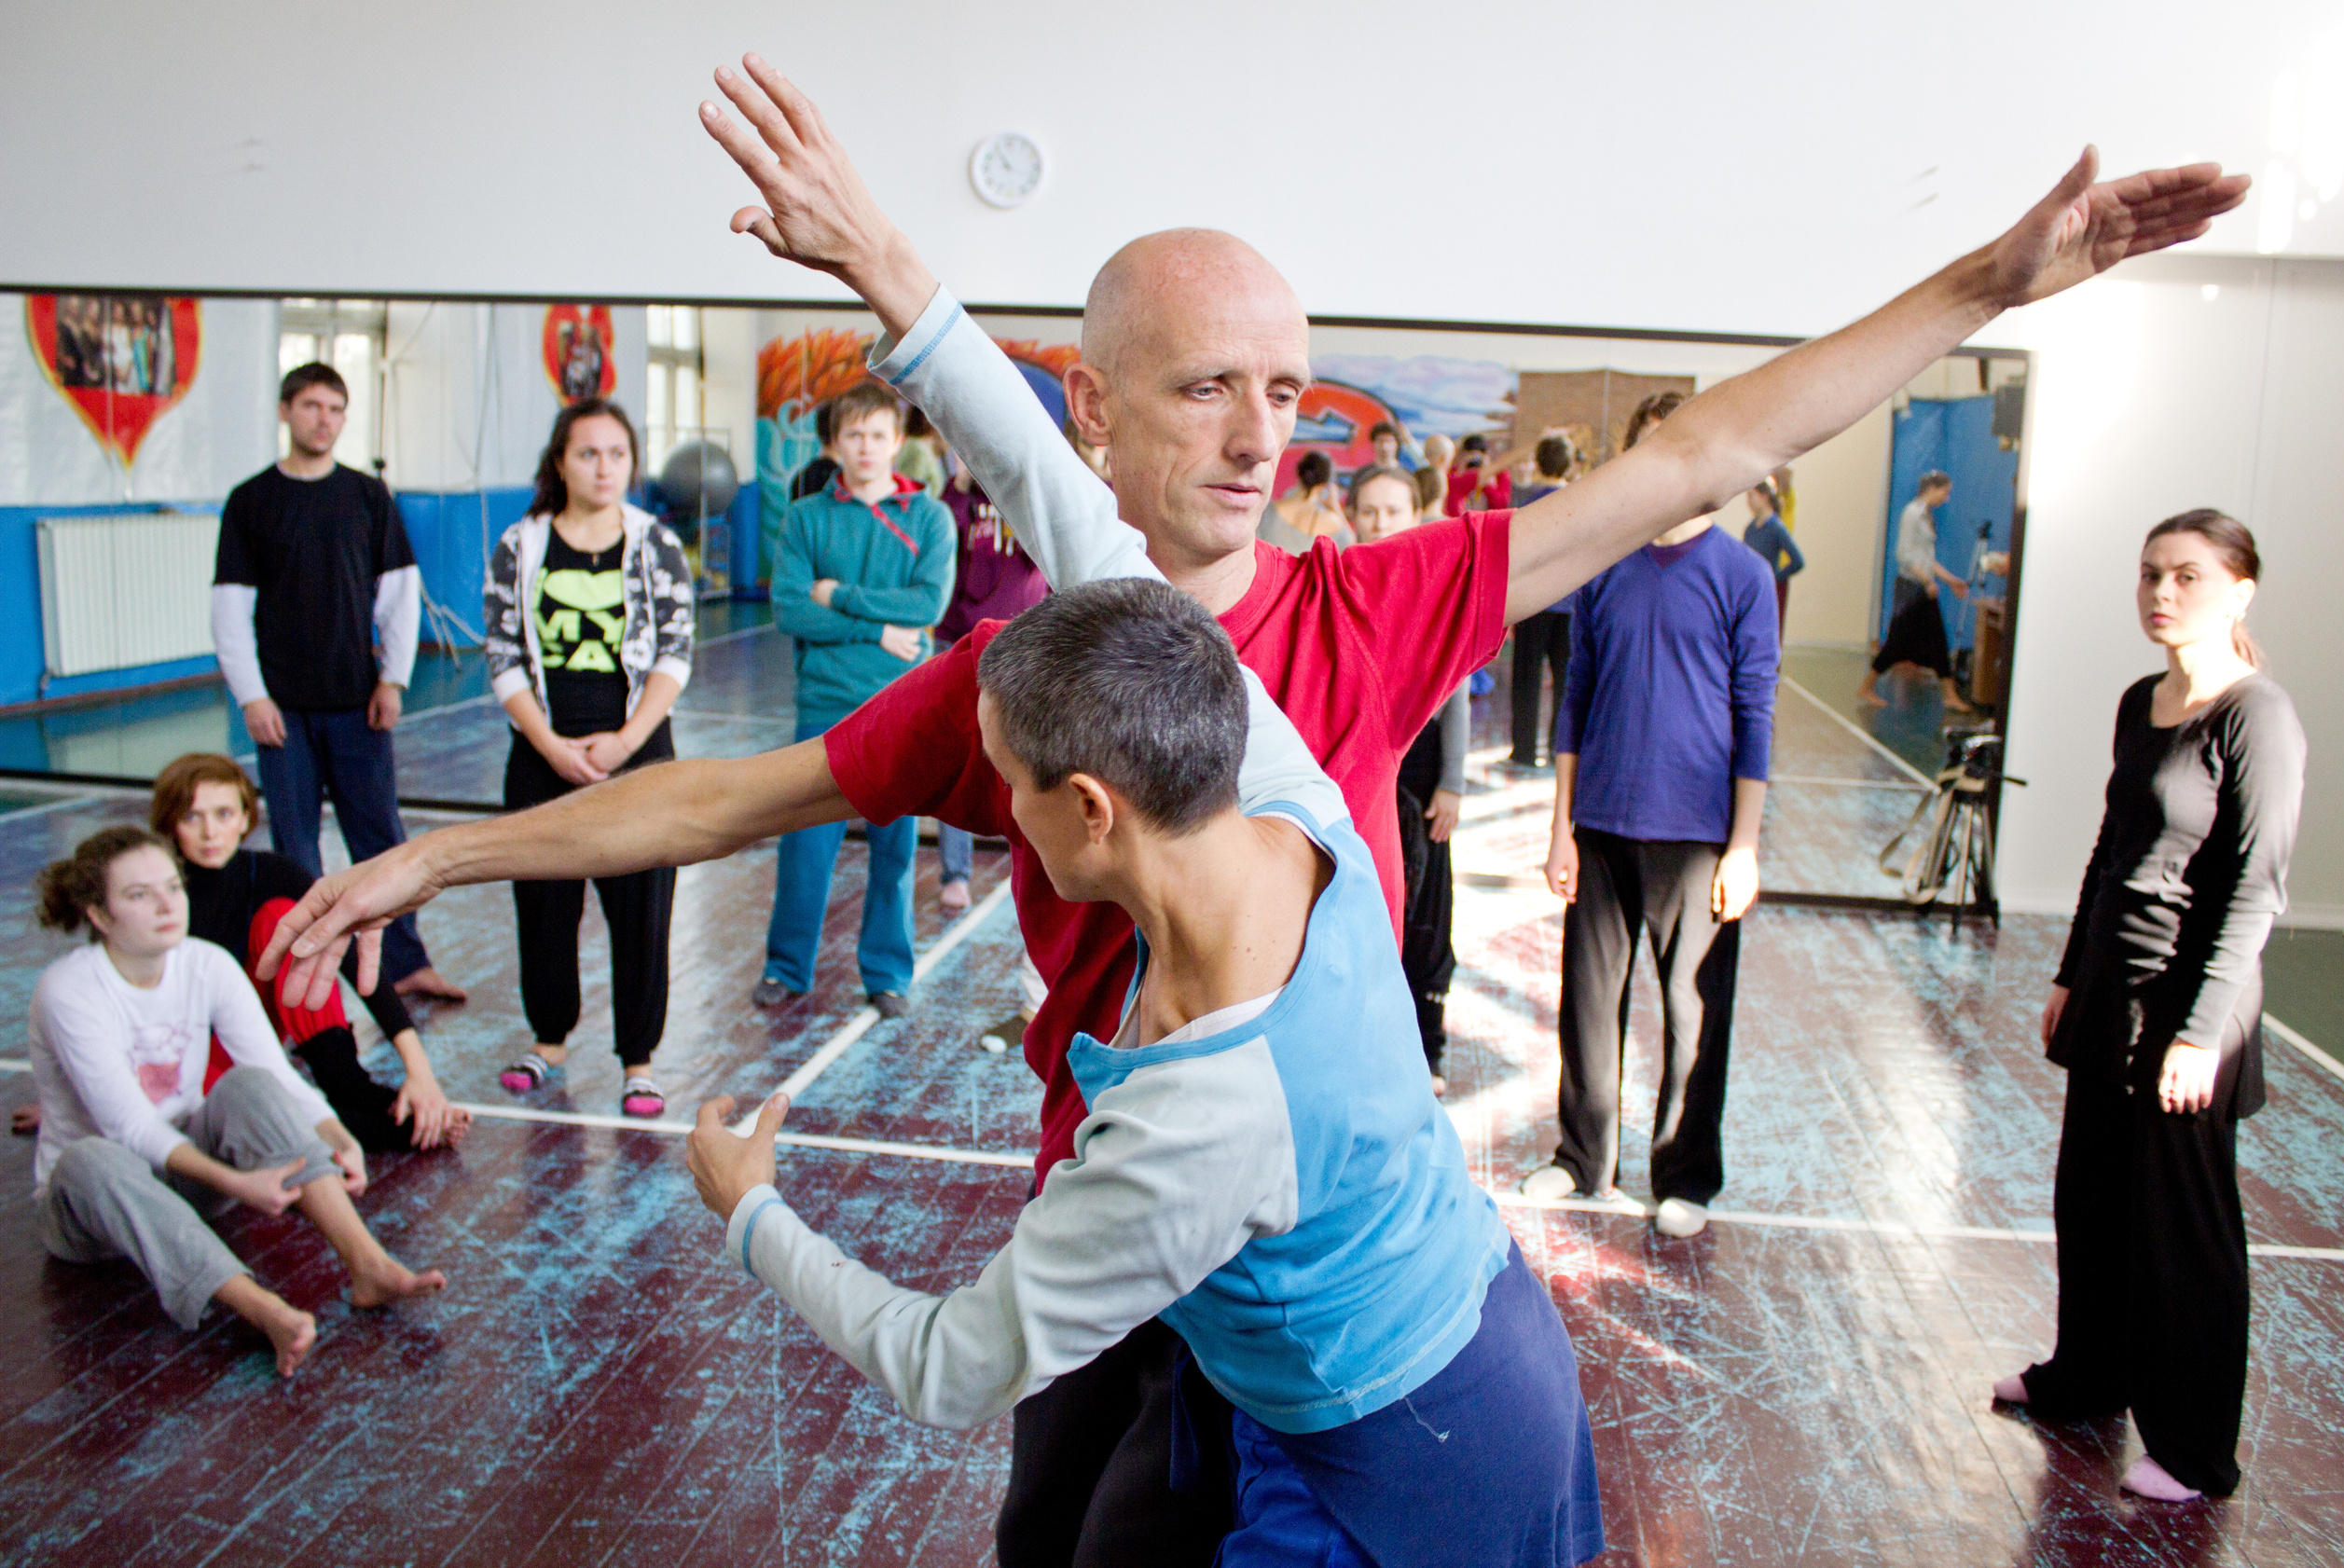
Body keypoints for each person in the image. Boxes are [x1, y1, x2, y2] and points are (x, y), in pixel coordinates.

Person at [262, 62, 2242, 1565]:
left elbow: (1716, 440)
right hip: (1125, 1263)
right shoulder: (1032, 675)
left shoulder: (1360, 619)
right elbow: (720, 791)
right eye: (1205, 386)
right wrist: (446, 844)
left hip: (1330, 1286)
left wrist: (1993, 278)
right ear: (1101, 412)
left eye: (1285, 388)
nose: (1259, 431)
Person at [688, 578, 1601, 1568]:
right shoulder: (1300, 805)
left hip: (1403, 1466)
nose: (999, 808)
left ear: (1087, 806)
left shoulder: (1203, 1112)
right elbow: (1107, 550)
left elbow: (947, 1365)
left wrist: (752, 1214)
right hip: (1481, 1332)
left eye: (1006, 782)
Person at [1992, 511, 2302, 1504]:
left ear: (2239, 590)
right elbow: (2109, 842)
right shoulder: (2142, 699)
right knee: (2091, 1200)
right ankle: (2083, 1378)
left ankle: (2196, 1446)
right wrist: (2069, 970)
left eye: (2186, 576)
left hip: (2189, 1001)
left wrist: (2202, 1031)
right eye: (2149, 576)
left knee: (2185, 1232)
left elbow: (2257, 886)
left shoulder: (2256, 716)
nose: (2161, 593)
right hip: (2111, 991)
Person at [28, 826, 445, 1379]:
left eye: (172, 887)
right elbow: (128, 1127)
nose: (166, 905)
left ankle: (368, 1265)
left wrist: (332, 1128)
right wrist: (238, 1184)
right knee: (91, 1156)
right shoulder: (69, 989)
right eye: (138, 895)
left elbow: (273, 1071)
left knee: (248, 1085)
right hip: (93, 1212)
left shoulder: (206, 964)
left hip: (186, 1177)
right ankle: (262, 1309)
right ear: (99, 916)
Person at [1525, 392, 1778, 1239]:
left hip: (1699, 834)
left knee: (1690, 1009)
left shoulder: (1743, 576)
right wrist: (1561, 825)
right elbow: (1576, 699)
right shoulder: (1605, 569)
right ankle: (1580, 1158)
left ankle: (1684, 1176)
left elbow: (1756, 714)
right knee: (1588, 1000)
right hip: (1601, 821)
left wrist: (1744, 844)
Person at [210, 363, 465, 1001]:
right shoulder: (251, 502)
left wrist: (394, 681)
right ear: (285, 412)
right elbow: (230, 607)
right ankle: (306, 984)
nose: (324, 419)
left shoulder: (367, 496)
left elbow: (401, 596)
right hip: (283, 713)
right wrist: (253, 696)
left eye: (335, 408)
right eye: (311, 406)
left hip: (358, 705)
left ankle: (406, 964)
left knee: (380, 838)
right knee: (296, 851)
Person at [484, 398, 694, 1118]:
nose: (604, 467)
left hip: (636, 753)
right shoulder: (521, 543)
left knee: (642, 907)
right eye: (587, 453)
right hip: (544, 755)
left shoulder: (655, 543)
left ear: (632, 462)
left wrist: (627, 741)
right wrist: (547, 743)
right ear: (559, 462)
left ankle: (639, 1059)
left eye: (616, 453)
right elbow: (504, 654)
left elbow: (675, 650)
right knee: (542, 904)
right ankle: (548, 1042)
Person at [752, 379, 956, 1016]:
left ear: (897, 442)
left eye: (877, 435)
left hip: (901, 705)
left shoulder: (929, 516)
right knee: (806, 844)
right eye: (853, 436)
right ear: (833, 445)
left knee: (894, 850)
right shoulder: (806, 517)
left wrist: (836, 595)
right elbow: (789, 610)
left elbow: (927, 605)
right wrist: (878, 629)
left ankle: (887, 975)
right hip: (824, 702)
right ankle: (786, 968)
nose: (865, 447)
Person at [151, 752, 466, 1151]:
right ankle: (387, 1125)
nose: (210, 832)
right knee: (250, 1113)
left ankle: (349, 1085)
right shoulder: (157, 890)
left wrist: (420, 1072)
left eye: (224, 814)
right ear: (170, 824)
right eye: (192, 817)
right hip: (188, 1043)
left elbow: (354, 962)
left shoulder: (273, 874)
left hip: (256, 1028)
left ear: (246, 818)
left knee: (283, 918)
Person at [1351, 465, 1468, 1092]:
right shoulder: (1337, 587)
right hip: (1359, 769)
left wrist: (1452, 780)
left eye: (1392, 511)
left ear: (1416, 515)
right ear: (1352, 518)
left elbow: (1456, 698)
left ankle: (1427, 1049)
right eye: (1369, 511)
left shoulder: (1433, 593)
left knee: (1427, 912)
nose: (1380, 523)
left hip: (1421, 775)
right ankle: (1362, 1040)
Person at [932, 452, 1049, 914]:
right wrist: (961, 486)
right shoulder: (958, 496)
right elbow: (944, 545)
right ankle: (955, 872)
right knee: (957, 756)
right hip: (961, 638)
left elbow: (1043, 551)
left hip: (1023, 639)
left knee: (1028, 758)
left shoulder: (1029, 493)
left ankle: (1033, 859)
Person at [1858, 470, 1977, 713]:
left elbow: (1928, 560)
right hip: (1911, 589)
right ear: (1932, 488)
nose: (1946, 498)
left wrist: (1951, 581)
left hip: (1922, 589)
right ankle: (1867, 686)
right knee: (1897, 642)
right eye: (1945, 492)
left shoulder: (1926, 516)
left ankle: (1949, 694)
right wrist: (1926, 582)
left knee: (1938, 640)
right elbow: (1905, 555)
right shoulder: (1912, 514)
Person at [1502, 433, 1579, 771]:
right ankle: (1556, 750)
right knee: (1566, 681)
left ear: (1539, 464)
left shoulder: (1528, 506)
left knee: (1526, 679)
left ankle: (1523, 750)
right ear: (1570, 465)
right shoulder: (1581, 504)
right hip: (1571, 605)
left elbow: (1516, 558)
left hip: (1534, 603)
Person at [1254, 448, 1348, 554]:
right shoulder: (1330, 520)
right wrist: (1335, 506)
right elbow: (1350, 544)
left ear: (1299, 472)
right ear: (1324, 485)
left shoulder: (1268, 509)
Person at [1741, 477, 1806, 627]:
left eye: (1751, 496)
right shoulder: (1750, 529)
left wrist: (1774, 577)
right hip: (1750, 590)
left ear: (1764, 497)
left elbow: (1798, 561)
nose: (1748, 501)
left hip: (1768, 591)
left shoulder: (1776, 528)